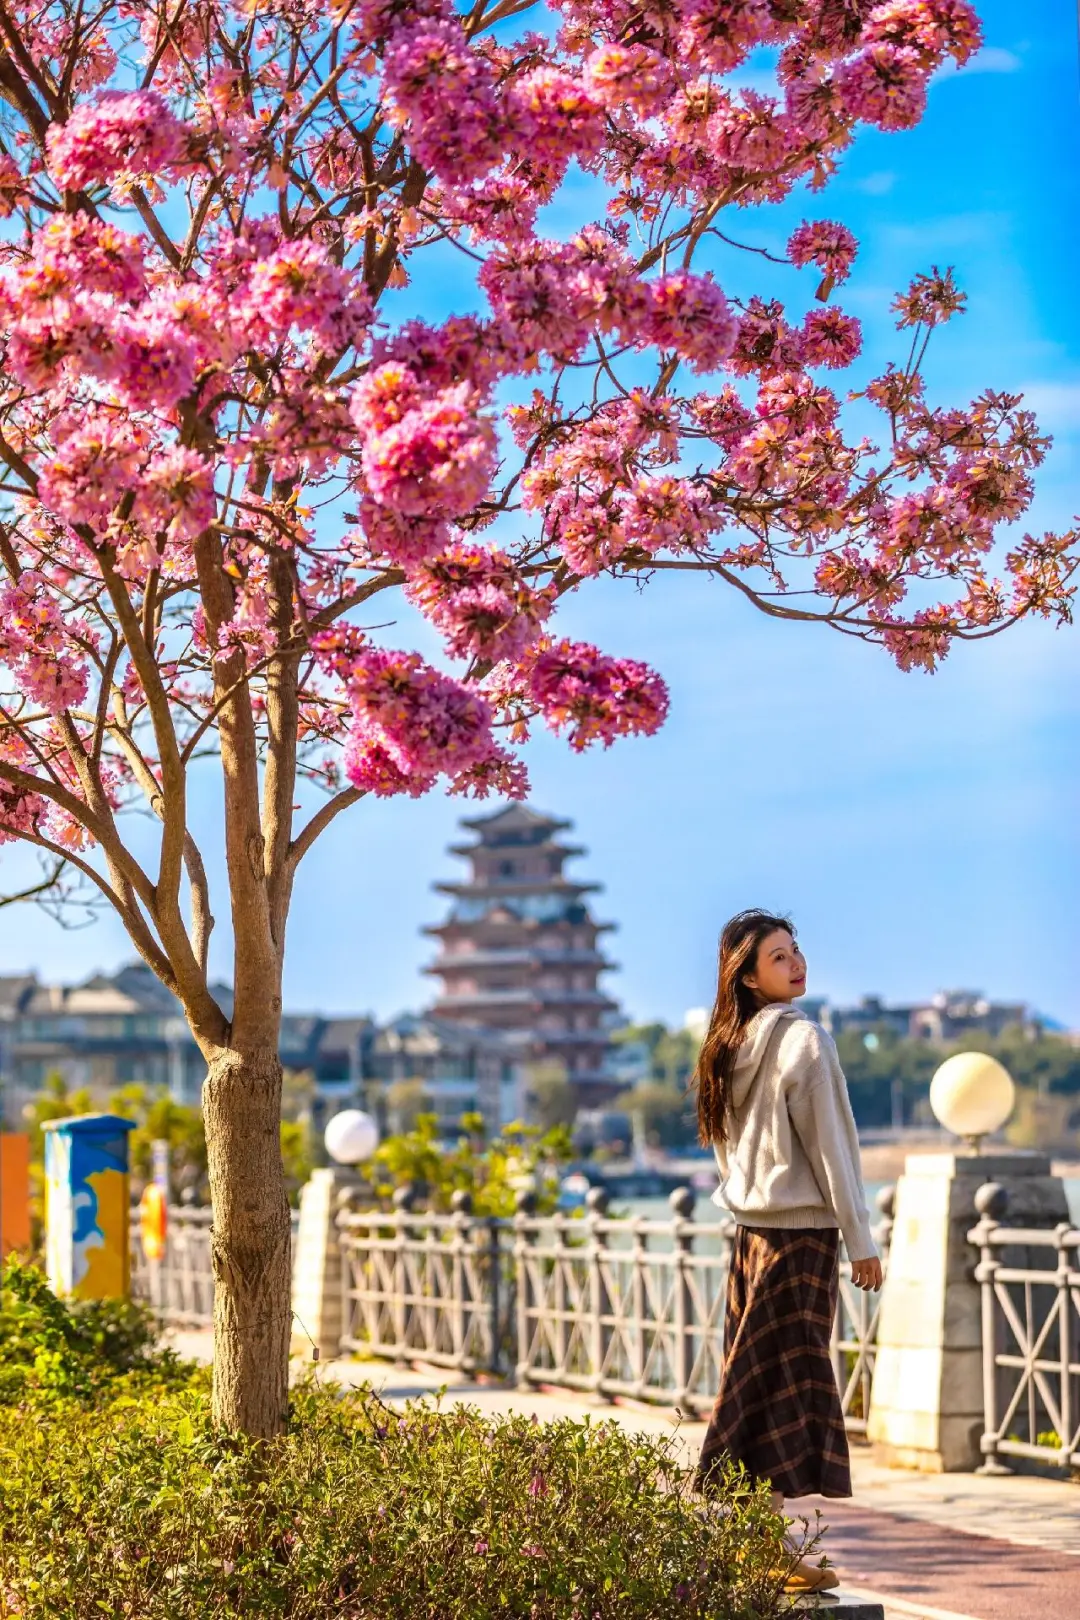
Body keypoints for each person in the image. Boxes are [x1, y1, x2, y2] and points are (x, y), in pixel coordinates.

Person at [692, 909, 882, 1595]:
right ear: (745, 975)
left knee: (755, 1380)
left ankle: (753, 1541)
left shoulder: (724, 1044)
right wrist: (861, 1242)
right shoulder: (805, 1042)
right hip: (799, 1241)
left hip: (746, 1241)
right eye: (779, 957)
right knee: (780, 1386)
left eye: (796, 951)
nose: (797, 963)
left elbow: (724, 1151)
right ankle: (755, 1547)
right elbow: (834, 1151)